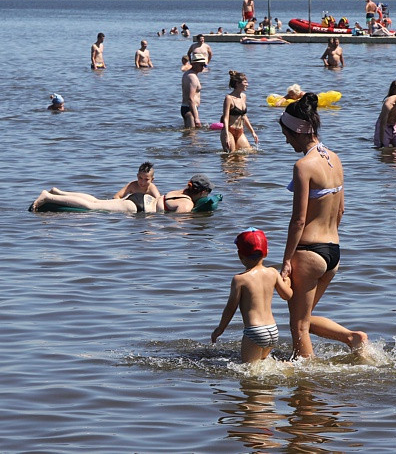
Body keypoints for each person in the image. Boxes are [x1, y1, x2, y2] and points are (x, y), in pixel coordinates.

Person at [277, 94, 368, 358]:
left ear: (297, 131)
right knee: (303, 317)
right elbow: (341, 209)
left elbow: (298, 219)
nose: (285, 140)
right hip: (333, 251)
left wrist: (286, 260)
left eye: (286, 135)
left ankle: (307, 384)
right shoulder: (336, 158)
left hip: (308, 251)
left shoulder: (303, 166)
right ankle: (352, 337)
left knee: (298, 325)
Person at [211, 229, 293, 363]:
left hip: (255, 331)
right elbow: (288, 295)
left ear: (239, 255)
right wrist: (287, 282)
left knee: (250, 371)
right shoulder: (272, 273)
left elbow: (231, 308)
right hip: (273, 330)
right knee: (262, 366)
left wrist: (220, 329)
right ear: (266, 253)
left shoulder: (240, 279)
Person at [30, 174, 213, 214]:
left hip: (142, 201)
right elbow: (176, 226)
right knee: (94, 207)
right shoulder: (187, 204)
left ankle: (59, 192)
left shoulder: (180, 191)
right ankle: (48, 197)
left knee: (96, 201)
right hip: (137, 206)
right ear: (201, 191)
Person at [220, 70, 258, 152]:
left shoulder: (243, 97)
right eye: (245, 82)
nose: (247, 84)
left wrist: (253, 132)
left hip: (240, 131)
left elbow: (244, 116)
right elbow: (225, 118)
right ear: (237, 84)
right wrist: (226, 134)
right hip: (229, 130)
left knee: (250, 152)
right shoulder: (229, 98)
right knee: (230, 156)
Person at [181, 53, 205, 128]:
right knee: (192, 137)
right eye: (201, 65)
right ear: (193, 64)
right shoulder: (192, 77)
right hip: (189, 109)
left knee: (189, 135)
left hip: (188, 108)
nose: (203, 67)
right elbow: (190, 99)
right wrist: (196, 118)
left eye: (204, 64)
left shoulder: (188, 74)